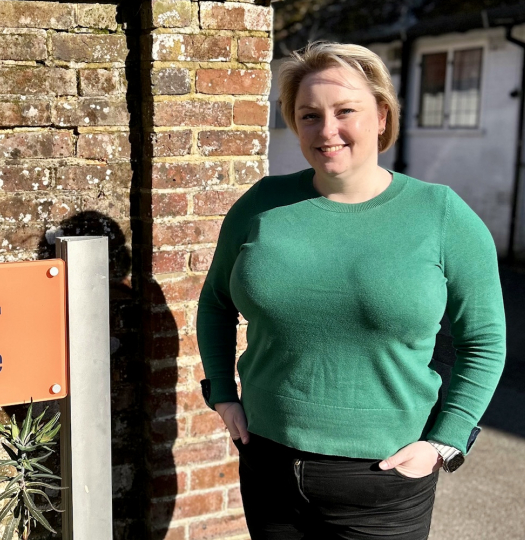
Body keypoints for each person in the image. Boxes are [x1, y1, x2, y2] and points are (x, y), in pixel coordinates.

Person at [196, 41, 506, 540]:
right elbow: (214, 305)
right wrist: (222, 393)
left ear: (382, 115)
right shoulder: (261, 206)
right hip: (268, 465)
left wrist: (445, 441)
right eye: (309, 115)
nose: (327, 130)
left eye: (346, 111)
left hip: (382, 482)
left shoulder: (441, 215)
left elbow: (485, 341)